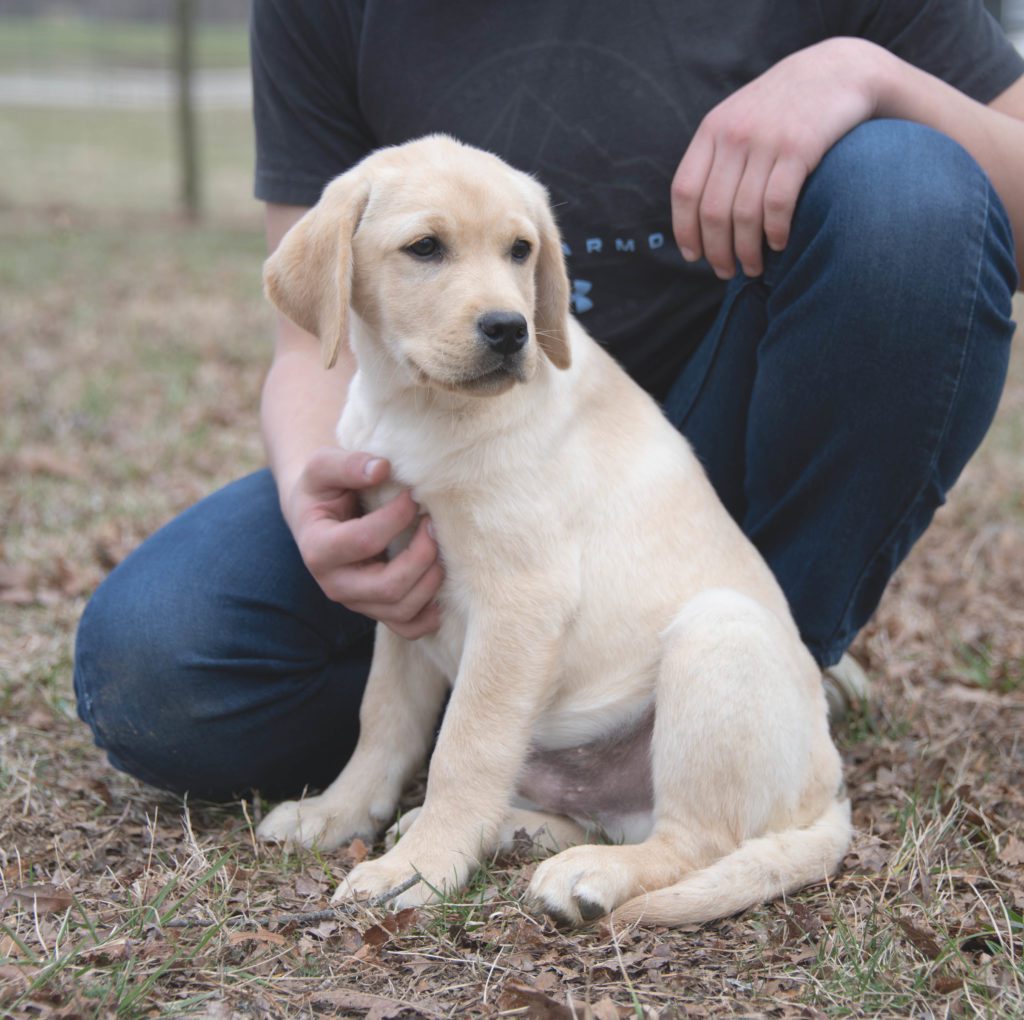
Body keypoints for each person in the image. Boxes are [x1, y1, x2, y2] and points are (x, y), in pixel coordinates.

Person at [74, 1, 1023, 802]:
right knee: (163, 670)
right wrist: (319, 511)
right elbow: (308, 331)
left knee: (914, 198)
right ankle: (550, 716)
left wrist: (868, 75)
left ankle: (758, 671)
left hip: (725, 449)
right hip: (460, 454)